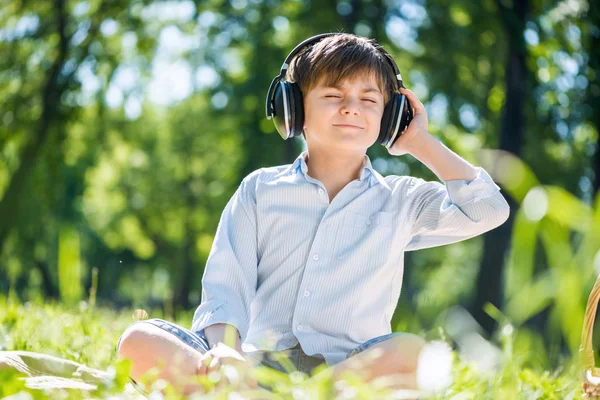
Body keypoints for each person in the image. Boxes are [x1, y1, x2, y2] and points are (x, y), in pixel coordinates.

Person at [116, 32, 510, 397]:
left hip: (343, 376)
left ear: (389, 117)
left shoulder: (402, 200)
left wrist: (420, 143)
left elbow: (488, 209)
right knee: (138, 341)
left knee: (411, 352)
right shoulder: (260, 189)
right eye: (332, 95)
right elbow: (225, 284)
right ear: (293, 108)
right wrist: (225, 351)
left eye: (369, 100)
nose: (351, 109)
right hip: (252, 369)